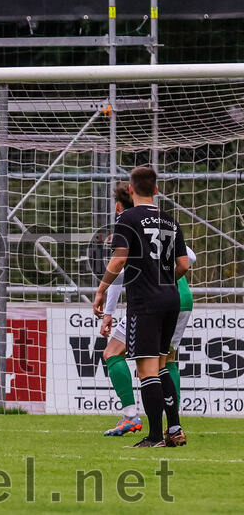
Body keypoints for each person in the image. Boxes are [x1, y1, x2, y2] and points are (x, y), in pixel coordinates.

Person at [93, 166, 190, 448]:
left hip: (145, 302)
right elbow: (184, 264)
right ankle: (175, 429)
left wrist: (100, 291)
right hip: (171, 299)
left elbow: (119, 259)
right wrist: (162, 280)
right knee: (162, 365)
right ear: (156, 191)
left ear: (131, 190)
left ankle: (154, 436)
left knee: (146, 369)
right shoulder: (171, 221)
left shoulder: (127, 217)